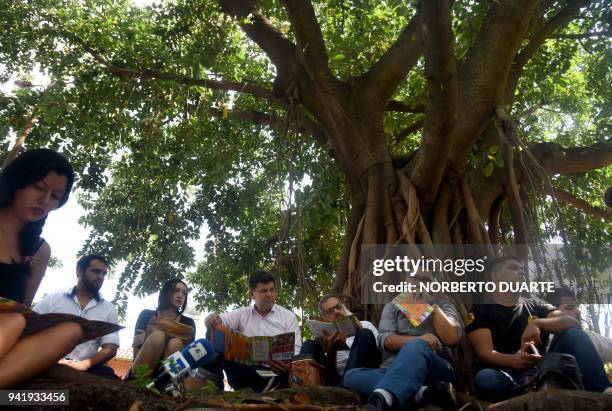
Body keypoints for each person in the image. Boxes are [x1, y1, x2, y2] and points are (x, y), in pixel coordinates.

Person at [466, 256, 610, 403]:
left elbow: (571, 321)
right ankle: (528, 395)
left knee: (574, 335)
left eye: (522, 269)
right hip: (508, 374)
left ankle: (604, 393)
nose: (521, 272)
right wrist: (514, 361)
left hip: (546, 368)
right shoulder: (480, 311)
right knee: (485, 379)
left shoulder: (536, 305)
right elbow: (485, 353)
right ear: (495, 276)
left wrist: (537, 324)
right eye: (513, 268)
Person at [0, 148, 83, 388]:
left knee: (71, 331)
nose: (45, 200)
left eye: (55, 196)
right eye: (38, 187)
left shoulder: (39, 251)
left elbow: (22, 308)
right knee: (13, 322)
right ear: (18, 181)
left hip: (5, 333)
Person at [343, 272, 463, 411]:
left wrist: (433, 308)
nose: (418, 282)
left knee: (417, 345)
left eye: (425, 279)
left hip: (434, 369)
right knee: (351, 376)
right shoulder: (393, 306)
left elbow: (452, 338)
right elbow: (385, 339)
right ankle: (423, 393)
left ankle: (381, 400)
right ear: (406, 280)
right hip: (392, 370)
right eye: (414, 278)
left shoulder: (444, 304)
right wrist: (418, 339)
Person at [205, 269, 301, 392]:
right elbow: (223, 320)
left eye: (272, 290)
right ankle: (215, 388)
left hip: (277, 374)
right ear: (252, 294)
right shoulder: (242, 313)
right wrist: (214, 318)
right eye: (263, 291)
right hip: (245, 372)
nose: (269, 295)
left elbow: (297, 348)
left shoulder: (288, 316)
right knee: (214, 336)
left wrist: (287, 364)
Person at [35, 254, 119, 378]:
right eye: (96, 271)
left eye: (104, 273)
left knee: (109, 376)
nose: (101, 277)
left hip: (87, 368)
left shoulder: (109, 309)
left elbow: (110, 349)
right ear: (79, 271)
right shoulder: (53, 300)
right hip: (47, 361)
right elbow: (29, 330)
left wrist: (83, 365)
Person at [299, 294, 380, 386]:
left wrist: (360, 330)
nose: (336, 311)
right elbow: (327, 368)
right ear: (325, 317)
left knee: (365, 333)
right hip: (333, 379)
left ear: (343, 306)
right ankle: (303, 391)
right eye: (330, 311)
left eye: (338, 307)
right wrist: (332, 350)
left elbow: (378, 353)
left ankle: (346, 386)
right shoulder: (325, 336)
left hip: (361, 374)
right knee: (308, 344)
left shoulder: (365, 325)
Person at [130, 278, 196, 377]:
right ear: (166, 292)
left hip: (170, 376)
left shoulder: (188, 323)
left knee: (175, 343)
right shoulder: (146, 315)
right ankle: (140, 382)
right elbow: (136, 353)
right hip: (141, 369)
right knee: (158, 336)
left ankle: (168, 385)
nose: (180, 296)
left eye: (184, 293)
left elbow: (188, 358)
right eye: (176, 290)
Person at [547, 286, 612, 365]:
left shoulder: (588, 337)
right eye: (570, 308)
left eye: (577, 306)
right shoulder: (538, 341)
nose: (578, 311)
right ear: (553, 313)